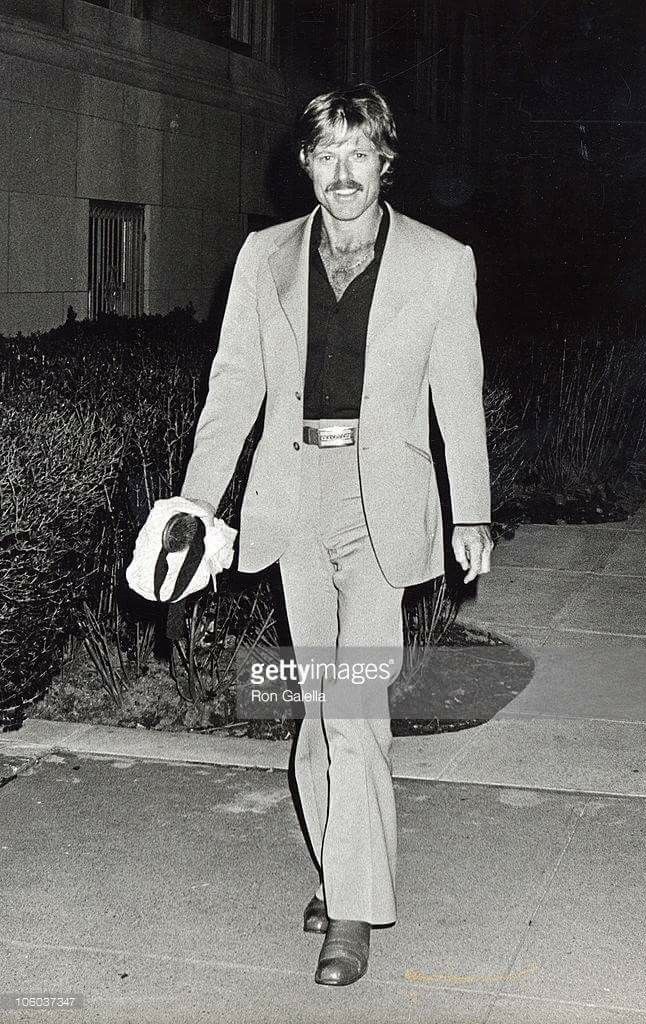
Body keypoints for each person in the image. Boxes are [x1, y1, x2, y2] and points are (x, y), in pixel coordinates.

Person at [180, 83, 493, 987]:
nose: (343, 172)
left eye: (359, 153)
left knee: (355, 703)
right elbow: (233, 388)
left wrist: (470, 509)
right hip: (291, 496)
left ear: (384, 160)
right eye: (327, 155)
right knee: (319, 705)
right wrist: (198, 507)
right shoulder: (263, 257)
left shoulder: (440, 262)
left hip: (380, 501)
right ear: (307, 165)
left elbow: (457, 396)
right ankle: (340, 858)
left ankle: (352, 912)